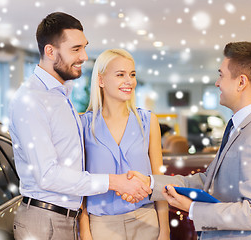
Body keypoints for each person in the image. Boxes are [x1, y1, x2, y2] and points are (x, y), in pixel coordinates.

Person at [8, 12, 151, 240]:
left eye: (84, 47)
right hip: (45, 222)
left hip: (63, 220)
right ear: (50, 51)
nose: (84, 56)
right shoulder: (32, 100)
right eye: (75, 49)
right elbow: (47, 174)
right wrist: (114, 181)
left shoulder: (61, 96)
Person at [127, 41, 251, 239]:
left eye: (221, 75)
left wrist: (194, 208)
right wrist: (151, 183)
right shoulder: (241, 129)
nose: (217, 82)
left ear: (241, 82)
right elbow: (207, 182)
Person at [78, 49, 170, 240]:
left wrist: (164, 230)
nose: (129, 81)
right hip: (102, 226)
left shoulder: (148, 120)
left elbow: (158, 179)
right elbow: (80, 184)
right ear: (101, 80)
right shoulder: (83, 125)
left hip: (146, 220)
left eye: (132, 74)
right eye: (120, 75)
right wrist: (85, 230)